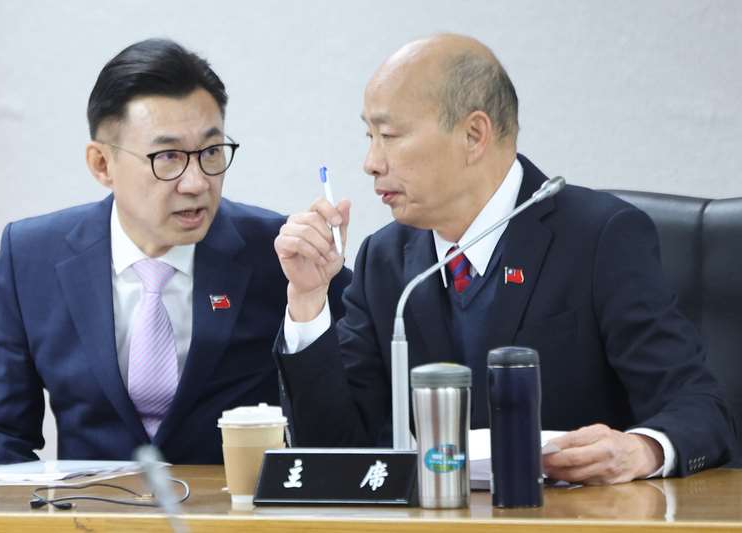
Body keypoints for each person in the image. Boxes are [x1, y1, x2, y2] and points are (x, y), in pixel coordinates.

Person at [273, 33, 735, 484]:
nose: (370, 162)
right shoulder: (385, 260)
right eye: (368, 135)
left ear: (474, 134)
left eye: (389, 135)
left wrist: (642, 449)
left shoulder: (598, 238)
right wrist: (309, 301)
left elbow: (699, 407)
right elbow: (335, 450)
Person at [0, 38, 349, 464]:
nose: (196, 183)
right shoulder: (32, 256)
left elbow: (342, 433)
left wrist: (309, 306)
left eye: (210, 151)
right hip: (92, 519)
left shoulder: (281, 254)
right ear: (101, 165)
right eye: (167, 156)